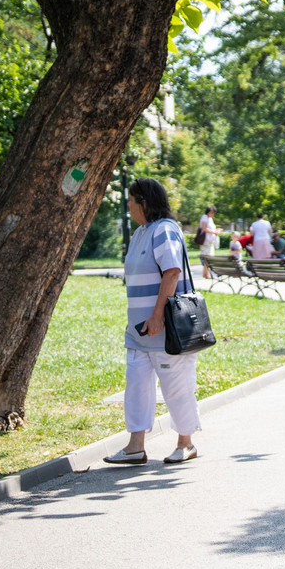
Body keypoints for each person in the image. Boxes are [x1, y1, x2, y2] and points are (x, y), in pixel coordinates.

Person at [103, 178, 202, 466]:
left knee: (176, 385)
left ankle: (186, 442)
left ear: (144, 202)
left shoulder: (164, 230)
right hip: (138, 331)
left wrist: (157, 314)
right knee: (135, 386)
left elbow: (171, 272)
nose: (129, 207)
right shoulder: (140, 234)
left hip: (164, 327)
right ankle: (135, 446)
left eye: (132, 201)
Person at [198, 206, 221, 278]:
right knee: (207, 257)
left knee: (208, 258)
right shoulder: (205, 217)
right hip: (206, 241)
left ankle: (206, 273)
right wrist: (214, 232)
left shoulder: (210, 219)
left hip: (210, 241)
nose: (213, 214)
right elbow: (204, 228)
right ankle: (206, 274)